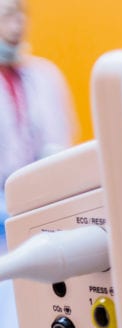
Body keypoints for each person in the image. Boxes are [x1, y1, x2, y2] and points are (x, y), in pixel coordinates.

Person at [0, 0, 76, 227]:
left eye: (22, 14)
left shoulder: (45, 75)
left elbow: (60, 143)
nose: (19, 23)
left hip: (41, 202)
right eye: (8, 15)